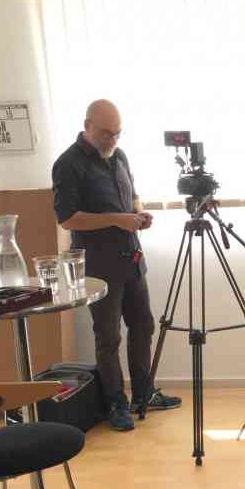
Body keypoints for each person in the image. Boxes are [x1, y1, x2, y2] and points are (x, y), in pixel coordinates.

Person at [52, 99, 181, 431]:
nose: (112, 139)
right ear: (87, 126)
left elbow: (133, 195)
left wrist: (138, 214)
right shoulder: (67, 164)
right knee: (108, 338)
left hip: (131, 258)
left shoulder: (119, 155)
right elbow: (68, 218)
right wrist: (115, 219)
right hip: (98, 267)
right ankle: (115, 403)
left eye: (117, 133)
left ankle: (143, 394)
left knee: (144, 326)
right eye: (106, 133)